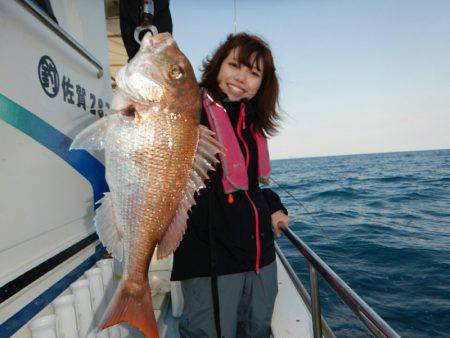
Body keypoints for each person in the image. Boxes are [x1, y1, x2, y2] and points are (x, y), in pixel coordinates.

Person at [171, 33, 290, 338]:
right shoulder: (188, 108)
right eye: (235, 65)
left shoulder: (251, 125)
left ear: (263, 83)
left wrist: (274, 205)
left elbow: (251, 188)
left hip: (259, 256)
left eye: (254, 73)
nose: (242, 78)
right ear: (217, 65)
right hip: (211, 259)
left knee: (257, 329)